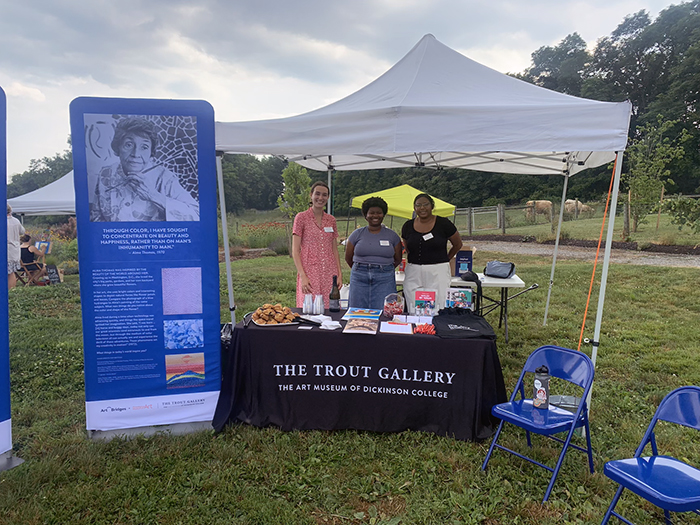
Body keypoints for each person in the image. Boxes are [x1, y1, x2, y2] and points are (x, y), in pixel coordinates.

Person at [90, 117, 199, 222]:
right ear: (118, 147)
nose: (136, 154)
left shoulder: (165, 178)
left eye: (144, 147)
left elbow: (196, 215)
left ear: (151, 151)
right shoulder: (106, 174)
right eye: (129, 145)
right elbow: (96, 217)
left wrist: (153, 195)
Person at [401, 193, 463, 314]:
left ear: (432, 206)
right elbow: (407, 247)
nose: (422, 208)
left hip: (438, 270)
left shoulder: (443, 223)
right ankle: (417, 329)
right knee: (413, 302)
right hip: (413, 270)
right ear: (414, 208)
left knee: (439, 303)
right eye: (418, 205)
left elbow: (457, 244)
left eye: (425, 204)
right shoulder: (407, 226)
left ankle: (436, 329)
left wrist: (446, 258)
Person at [292, 181, 343, 309]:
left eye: (324, 195)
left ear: (328, 197)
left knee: (330, 306)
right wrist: (303, 275)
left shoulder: (331, 220)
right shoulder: (301, 218)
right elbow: (295, 250)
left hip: (329, 271)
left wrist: (339, 274)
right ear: (311, 195)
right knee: (310, 306)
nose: (320, 198)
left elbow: (334, 249)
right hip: (310, 269)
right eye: (317, 194)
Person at [345, 197, 402, 309]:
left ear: (383, 214)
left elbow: (398, 259)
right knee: (357, 311)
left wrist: (383, 268)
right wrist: (362, 268)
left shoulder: (392, 236)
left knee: (385, 311)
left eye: (379, 213)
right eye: (371, 213)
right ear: (366, 215)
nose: (375, 216)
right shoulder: (357, 234)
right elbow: (348, 257)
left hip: (385, 277)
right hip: (359, 276)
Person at [7, 204, 25, 289]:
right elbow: (22, 231)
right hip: (15, 249)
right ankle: (12, 290)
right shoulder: (16, 221)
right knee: (11, 272)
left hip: (6, 249)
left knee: (9, 272)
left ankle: (8, 289)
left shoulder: (3, 221)